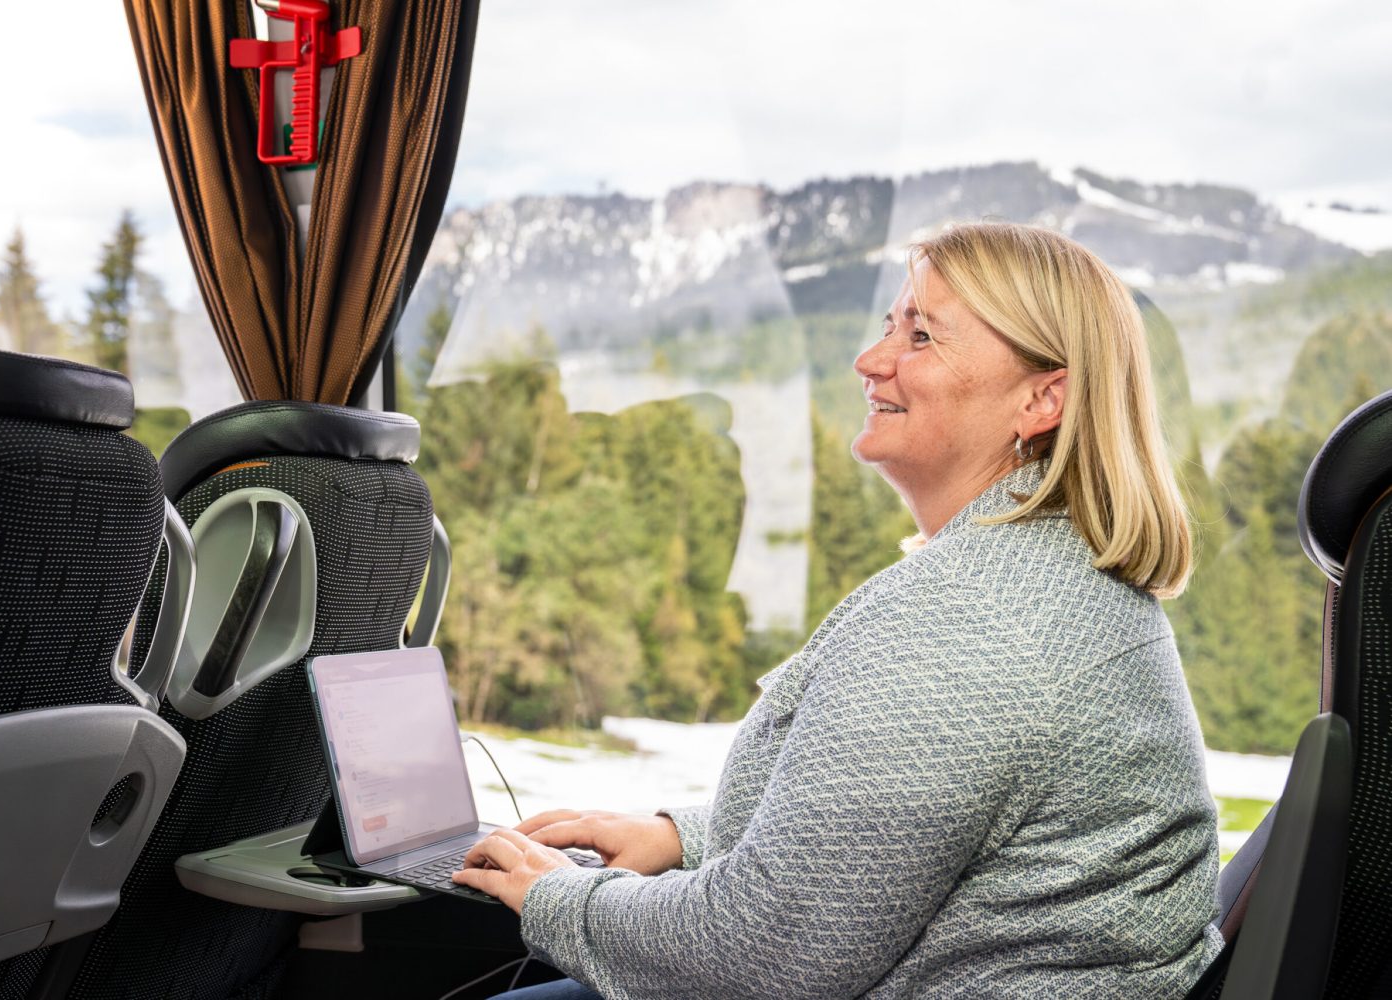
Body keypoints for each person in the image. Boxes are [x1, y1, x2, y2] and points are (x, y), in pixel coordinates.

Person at [453, 221, 1223, 999]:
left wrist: (558, 896)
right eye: (890, 326)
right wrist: (684, 839)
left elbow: (760, 957)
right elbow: (893, 831)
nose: (870, 360)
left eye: (921, 336)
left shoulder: (970, 626)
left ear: (1041, 398)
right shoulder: (1050, 577)